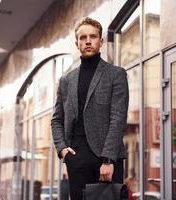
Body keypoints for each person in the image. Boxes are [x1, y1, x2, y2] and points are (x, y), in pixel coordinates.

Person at [51, 17, 129, 200]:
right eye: (83, 37)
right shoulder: (66, 80)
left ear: (100, 42)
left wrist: (108, 160)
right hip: (76, 157)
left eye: (93, 37)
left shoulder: (116, 74)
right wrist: (62, 149)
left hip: (105, 157)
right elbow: (57, 120)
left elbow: (117, 118)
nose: (88, 41)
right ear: (77, 43)